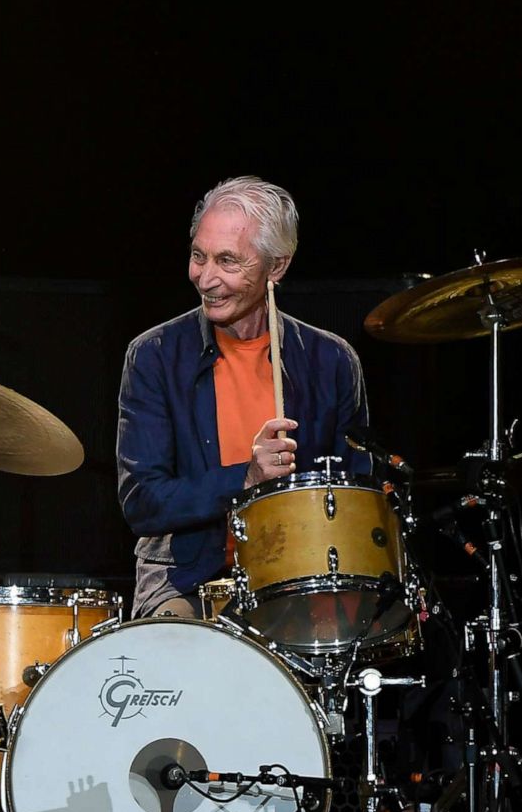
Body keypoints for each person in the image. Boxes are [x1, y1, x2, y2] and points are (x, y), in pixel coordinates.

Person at [117, 175, 370, 619]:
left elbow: (356, 493)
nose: (205, 277)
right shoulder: (154, 356)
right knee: (177, 651)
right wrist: (245, 478)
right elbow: (143, 502)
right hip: (185, 577)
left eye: (228, 261)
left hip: (300, 576)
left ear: (277, 267)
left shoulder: (331, 361)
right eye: (199, 256)